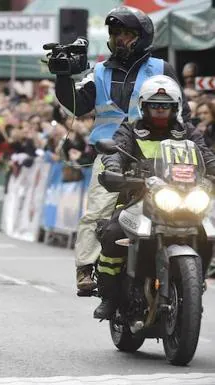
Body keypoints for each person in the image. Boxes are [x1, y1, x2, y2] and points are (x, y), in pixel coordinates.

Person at [51, 6, 192, 294]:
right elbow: (78, 106)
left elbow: (183, 113)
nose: (119, 39)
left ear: (141, 37)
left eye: (126, 34)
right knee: (97, 210)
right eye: (115, 34)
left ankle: (192, 263)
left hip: (162, 152)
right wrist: (62, 77)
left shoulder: (161, 68)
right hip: (113, 153)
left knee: (191, 202)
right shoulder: (99, 71)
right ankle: (85, 267)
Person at [95, 75, 215, 319]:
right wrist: (115, 169)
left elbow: (207, 157)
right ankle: (110, 296)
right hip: (138, 197)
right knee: (113, 234)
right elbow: (115, 153)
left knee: (208, 231)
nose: (160, 110)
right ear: (144, 106)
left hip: (184, 199)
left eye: (166, 105)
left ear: (176, 107)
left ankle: (194, 283)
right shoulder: (130, 129)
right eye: (155, 105)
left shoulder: (187, 132)